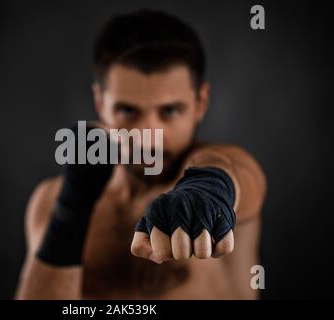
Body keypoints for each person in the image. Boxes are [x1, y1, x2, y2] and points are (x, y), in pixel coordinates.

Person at [15, 9, 266, 299]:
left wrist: (211, 186)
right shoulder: (50, 201)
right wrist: (74, 206)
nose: (150, 137)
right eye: (128, 111)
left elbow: (236, 174)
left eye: (169, 111)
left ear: (200, 102)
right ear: (100, 102)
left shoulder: (225, 175)